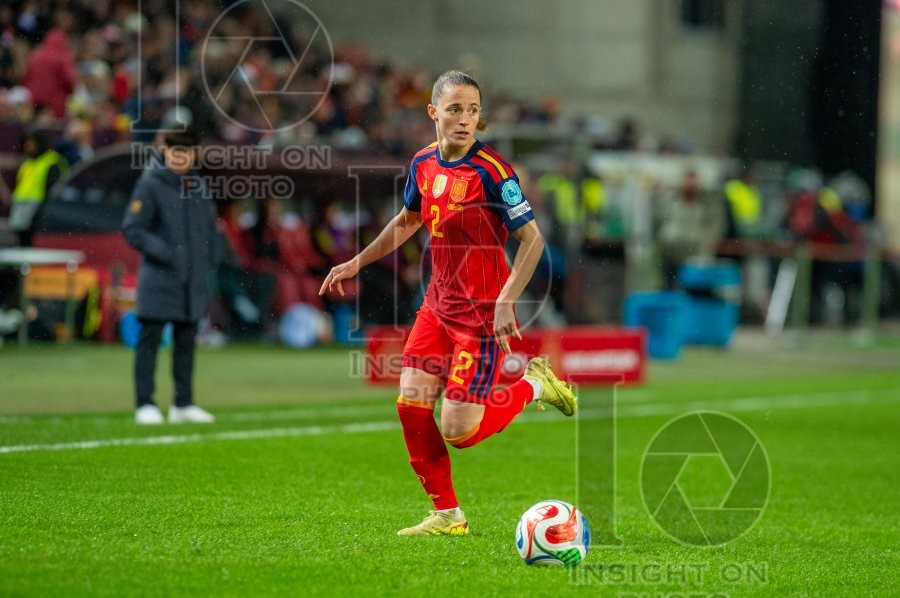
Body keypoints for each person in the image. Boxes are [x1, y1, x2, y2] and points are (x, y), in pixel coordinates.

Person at [320, 70, 576, 536]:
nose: (465, 120)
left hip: (481, 318)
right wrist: (355, 262)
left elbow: (533, 241)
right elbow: (406, 221)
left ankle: (534, 386)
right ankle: (447, 515)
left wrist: (505, 302)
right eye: (455, 109)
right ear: (433, 112)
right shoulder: (422, 164)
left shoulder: (494, 173)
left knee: (458, 431)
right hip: (437, 308)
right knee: (411, 405)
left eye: (473, 111)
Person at [122, 127, 216, 425]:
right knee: (149, 340)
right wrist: (166, 253)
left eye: (185, 152)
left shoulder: (199, 187)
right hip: (159, 279)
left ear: (194, 154)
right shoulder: (149, 185)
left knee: (186, 342)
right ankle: (144, 404)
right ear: (165, 152)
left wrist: (210, 260)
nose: (180, 158)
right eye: (175, 152)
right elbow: (133, 229)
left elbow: (209, 232)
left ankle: (183, 404)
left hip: (192, 281)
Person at [9, 128, 68, 246]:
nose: (27, 146)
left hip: (39, 208)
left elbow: (53, 189)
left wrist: (42, 211)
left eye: (31, 142)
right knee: (20, 241)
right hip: (21, 206)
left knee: (33, 242)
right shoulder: (27, 163)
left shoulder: (52, 161)